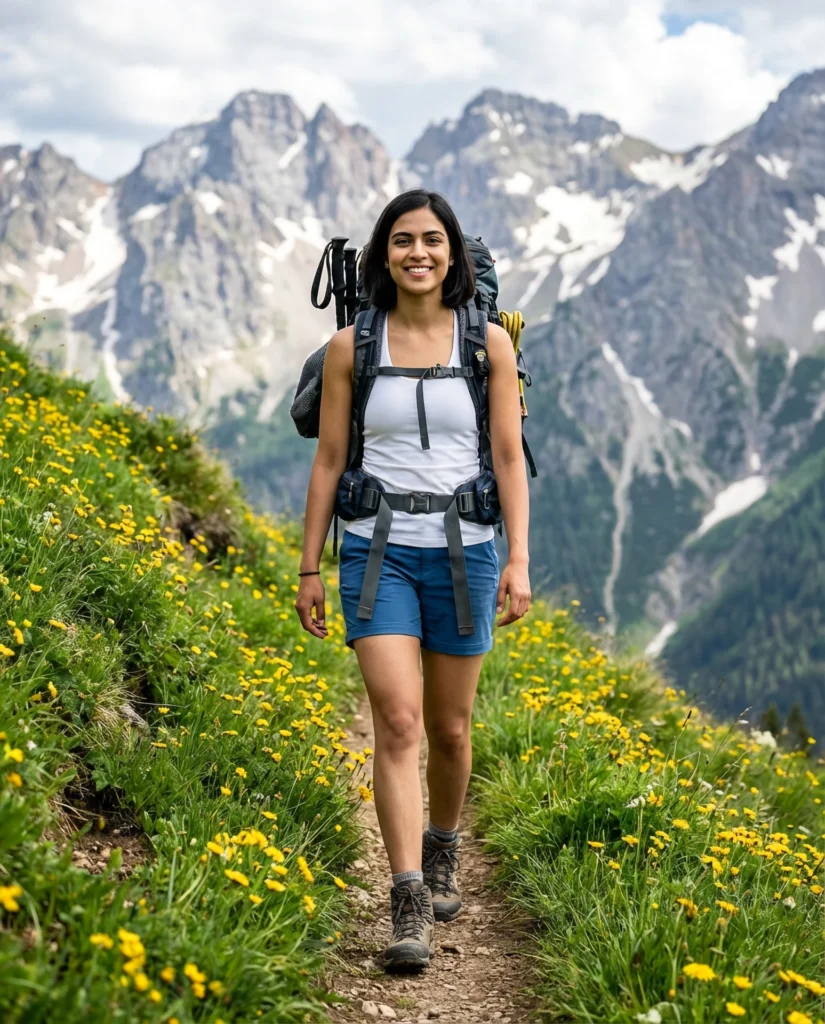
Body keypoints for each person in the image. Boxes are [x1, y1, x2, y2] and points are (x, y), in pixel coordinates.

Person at [294, 188, 531, 971]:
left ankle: (442, 847)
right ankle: (406, 898)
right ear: (383, 256)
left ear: (452, 254)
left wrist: (519, 559)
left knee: (451, 730)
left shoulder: (487, 346)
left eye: (431, 240)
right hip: (377, 551)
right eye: (402, 241)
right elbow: (330, 460)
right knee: (397, 723)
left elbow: (507, 457)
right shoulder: (350, 348)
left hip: (467, 551)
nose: (417, 253)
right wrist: (309, 566)